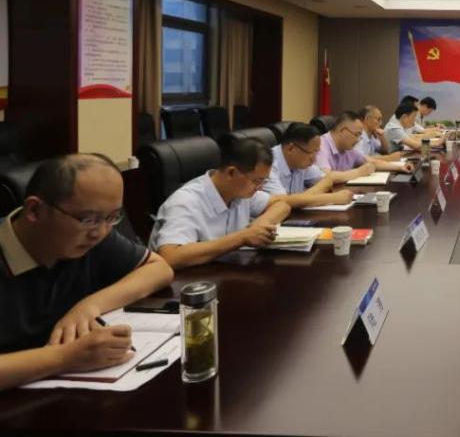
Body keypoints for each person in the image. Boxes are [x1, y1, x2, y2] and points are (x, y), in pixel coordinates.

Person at [0, 154, 174, 390]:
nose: (100, 232)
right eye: (88, 219)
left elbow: (159, 268)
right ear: (34, 210)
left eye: (112, 217)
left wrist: (89, 306)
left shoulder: (90, 239)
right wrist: (64, 358)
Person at [148, 136, 292, 269]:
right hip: (189, 282)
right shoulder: (185, 202)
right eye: (257, 181)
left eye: (263, 181)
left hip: (226, 272)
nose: (260, 187)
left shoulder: (240, 192)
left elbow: (281, 205)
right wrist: (242, 237)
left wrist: (261, 223)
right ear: (231, 172)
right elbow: (171, 256)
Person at [262, 123, 355, 208]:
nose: (314, 159)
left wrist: (299, 199)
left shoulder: (300, 161)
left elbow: (327, 180)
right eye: (311, 153)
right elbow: (282, 202)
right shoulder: (267, 165)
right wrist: (333, 198)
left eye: (316, 152)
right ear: (290, 148)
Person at [316, 111, 414, 176]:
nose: (358, 140)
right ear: (342, 131)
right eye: (356, 135)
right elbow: (325, 176)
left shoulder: (348, 148)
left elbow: (372, 162)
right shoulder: (320, 145)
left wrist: (400, 167)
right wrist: (359, 172)